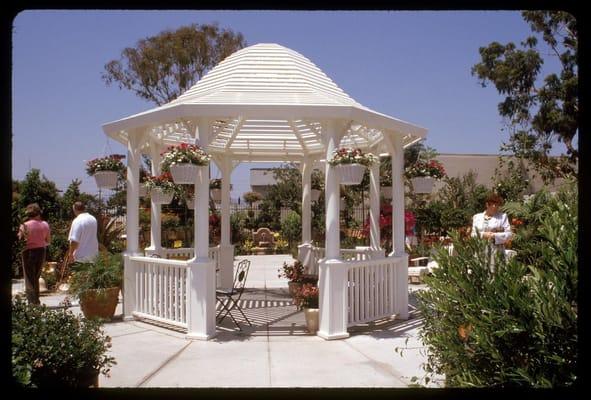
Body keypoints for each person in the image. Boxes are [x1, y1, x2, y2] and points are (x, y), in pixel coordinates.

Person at [18, 203, 51, 304]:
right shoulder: (45, 224)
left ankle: (32, 302)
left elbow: (20, 239)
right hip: (41, 251)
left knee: (29, 278)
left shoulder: (25, 225)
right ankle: (36, 300)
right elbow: (48, 241)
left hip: (28, 251)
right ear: (38, 212)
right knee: (36, 277)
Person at [471, 193, 513, 271]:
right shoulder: (477, 217)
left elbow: (509, 234)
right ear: (487, 205)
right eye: (492, 204)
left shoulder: (502, 217)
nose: (495, 207)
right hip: (481, 250)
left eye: (497, 205)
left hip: (496, 250)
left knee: (495, 273)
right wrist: (484, 234)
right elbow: (473, 234)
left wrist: (494, 235)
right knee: (480, 273)